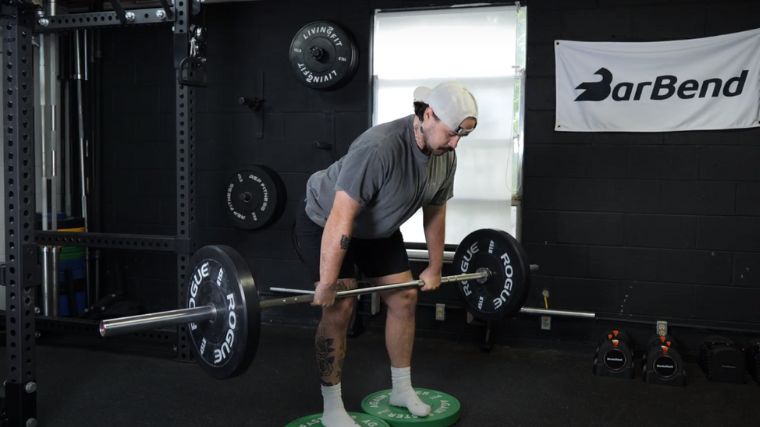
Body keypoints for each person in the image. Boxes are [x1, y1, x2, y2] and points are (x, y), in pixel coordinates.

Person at [294, 81, 478, 427]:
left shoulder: (445, 157)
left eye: (461, 137)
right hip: (326, 221)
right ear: (427, 115)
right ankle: (333, 406)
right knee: (341, 305)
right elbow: (341, 217)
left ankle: (401, 389)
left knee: (406, 297)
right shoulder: (379, 148)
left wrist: (435, 266)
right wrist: (329, 282)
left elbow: (435, 211)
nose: (455, 143)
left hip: (377, 230)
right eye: (453, 133)